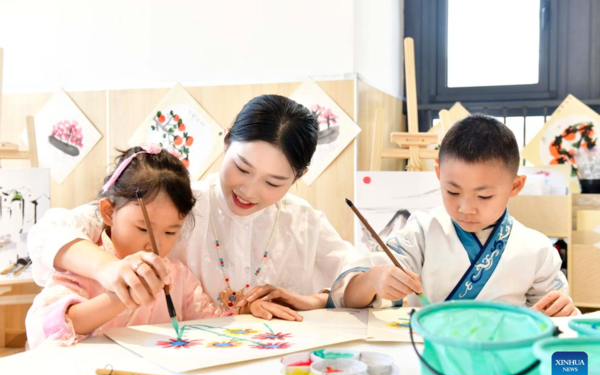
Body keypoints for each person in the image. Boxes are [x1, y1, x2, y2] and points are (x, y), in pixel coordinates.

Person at [28, 95, 357, 321]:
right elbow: (51, 232)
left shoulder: (303, 221)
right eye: (241, 168)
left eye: (273, 183)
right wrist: (107, 270)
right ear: (226, 141)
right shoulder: (177, 203)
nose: (248, 190)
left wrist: (314, 300)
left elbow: (353, 274)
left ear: (299, 176)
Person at [331, 115, 577, 317]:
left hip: (501, 361)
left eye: (484, 197)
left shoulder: (538, 249)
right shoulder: (422, 232)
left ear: (515, 186)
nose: (466, 208)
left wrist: (563, 309)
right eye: (453, 191)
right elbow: (348, 298)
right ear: (438, 175)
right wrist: (374, 279)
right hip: (429, 354)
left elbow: (555, 315)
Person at [26, 145, 227, 348]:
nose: (155, 245)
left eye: (170, 232)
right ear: (108, 212)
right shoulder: (82, 265)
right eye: (142, 228)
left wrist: (247, 310)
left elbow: (213, 325)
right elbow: (46, 326)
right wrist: (122, 296)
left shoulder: (178, 275)